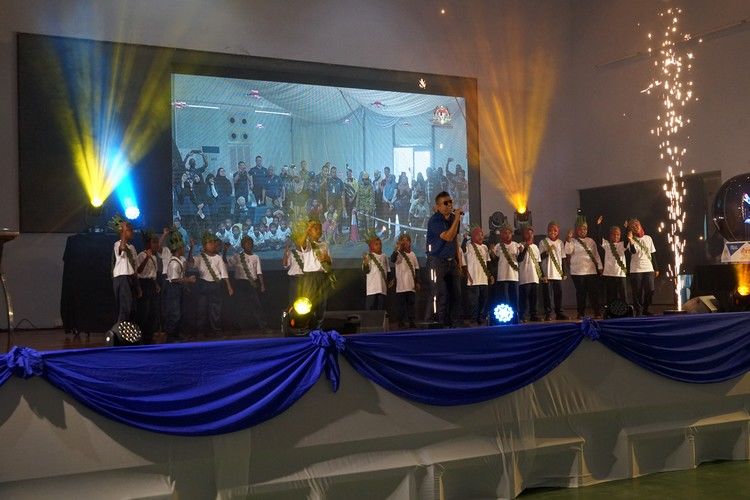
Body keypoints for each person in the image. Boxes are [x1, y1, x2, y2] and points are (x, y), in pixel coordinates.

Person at [426, 191, 464, 327]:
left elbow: (455, 240)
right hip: (436, 261)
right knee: (439, 293)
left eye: (450, 202)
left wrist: (459, 261)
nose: (449, 205)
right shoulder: (435, 220)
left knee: (456, 293)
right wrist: (457, 219)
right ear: (438, 206)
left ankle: (455, 323)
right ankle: (436, 323)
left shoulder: (453, 218)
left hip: (451, 260)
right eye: (445, 203)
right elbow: (447, 236)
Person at [191, 232, 233, 334]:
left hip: (216, 285)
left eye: (214, 243)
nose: (213, 245)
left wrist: (229, 287)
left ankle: (216, 330)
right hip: (203, 284)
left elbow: (224, 273)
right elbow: (190, 264)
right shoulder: (200, 257)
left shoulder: (218, 257)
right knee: (202, 309)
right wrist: (191, 249)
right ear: (204, 245)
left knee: (216, 309)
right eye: (210, 243)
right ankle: (200, 331)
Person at [226, 236, 271, 333]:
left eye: (250, 243)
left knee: (257, 305)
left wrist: (262, 285)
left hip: (252, 283)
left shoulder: (256, 257)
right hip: (240, 283)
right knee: (240, 306)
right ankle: (240, 329)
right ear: (243, 245)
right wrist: (224, 251)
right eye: (246, 244)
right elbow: (227, 264)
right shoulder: (237, 256)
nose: (249, 245)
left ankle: (264, 327)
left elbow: (259, 272)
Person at [565, 216, 603, 319]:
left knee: (593, 293)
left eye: (585, 229)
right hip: (577, 272)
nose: (583, 231)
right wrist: (568, 239)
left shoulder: (591, 241)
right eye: (581, 229)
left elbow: (596, 255)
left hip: (591, 271)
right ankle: (580, 313)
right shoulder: (572, 241)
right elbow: (567, 251)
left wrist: (600, 266)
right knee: (581, 293)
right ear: (577, 230)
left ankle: (597, 312)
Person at [163, 229, 195, 342]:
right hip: (173, 289)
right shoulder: (173, 263)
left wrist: (191, 248)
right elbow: (174, 279)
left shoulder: (180, 259)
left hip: (178, 288)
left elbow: (186, 265)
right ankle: (170, 337)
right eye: (182, 248)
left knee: (179, 313)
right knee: (174, 313)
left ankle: (177, 335)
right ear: (178, 249)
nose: (183, 250)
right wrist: (188, 280)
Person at [301, 219, 334, 326]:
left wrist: (327, 258)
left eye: (320, 228)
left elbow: (330, 261)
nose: (319, 231)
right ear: (310, 231)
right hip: (310, 276)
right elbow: (301, 243)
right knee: (309, 301)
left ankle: (319, 325)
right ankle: (308, 325)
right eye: (315, 229)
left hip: (322, 275)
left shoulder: (324, 244)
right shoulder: (307, 243)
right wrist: (307, 229)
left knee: (322, 301)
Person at [111, 216, 140, 324]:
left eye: (132, 230)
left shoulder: (132, 247)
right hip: (122, 278)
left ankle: (128, 332)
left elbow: (135, 268)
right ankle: (120, 332)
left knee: (132, 308)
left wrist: (138, 287)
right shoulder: (118, 243)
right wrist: (123, 231)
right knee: (125, 307)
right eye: (129, 230)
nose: (132, 232)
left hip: (130, 279)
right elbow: (122, 249)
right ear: (122, 232)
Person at [626, 218, 658, 315]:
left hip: (648, 268)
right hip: (636, 270)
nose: (635, 227)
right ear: (631, 229)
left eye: (637, 225)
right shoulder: (630, 240)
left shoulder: (648, 238)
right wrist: (631, 240)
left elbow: (652, 254)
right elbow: (633, 251)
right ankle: (639, 311)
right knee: (637, 292)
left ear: (640, 225)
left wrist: (656, 268)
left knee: (650, 290)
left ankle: (645, 309)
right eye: (633, 226)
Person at [463, 226, 493, 326]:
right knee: (473, 301)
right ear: (473, 236)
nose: (481, 236)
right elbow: (463, 255)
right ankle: (473, 319)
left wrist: (490, 275)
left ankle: (481, 318)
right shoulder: (468, 245)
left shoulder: (485, 247)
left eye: (482, 234)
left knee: (484, 300)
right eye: (478, 234)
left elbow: (488, 263)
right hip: (473, 279)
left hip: (484, 278)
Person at [136, 230, 161, 343]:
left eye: (157, 242)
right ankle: (141, 336)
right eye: (154, 242)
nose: (156, 245)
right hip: (143, 283)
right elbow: (139, 271)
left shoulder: (155, 257)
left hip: (151, 283)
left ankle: (149, 336)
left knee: (153, 311)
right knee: (144, 312)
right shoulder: (141, 255)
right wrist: (147, 257)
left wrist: (156, 285)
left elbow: (153, 274)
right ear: (148, 244)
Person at [539, 221, 568, 321]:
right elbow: (539, 257)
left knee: (558, 294)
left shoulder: (560, 243)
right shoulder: (543, 242)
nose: (553, 232)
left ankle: (559, 312)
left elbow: (563, 257)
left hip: (557, 273)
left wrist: (564, 272)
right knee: (547, 295)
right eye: (551, 230)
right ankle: (548, 313)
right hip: (547, 272)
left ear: (558, 231)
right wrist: (547, 252)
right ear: (547, 231)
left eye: (555, 230)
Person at [596, 217, 628, 304]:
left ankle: (624, 312)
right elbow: (599, 238)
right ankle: (611, 312)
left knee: (623, 295)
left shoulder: (622, 245)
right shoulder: (606, 244)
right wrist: (598, 225)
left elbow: (626, 239)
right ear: (610, 235)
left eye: (618, 234)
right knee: (611, 295)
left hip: (621, 274)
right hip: (609, 273)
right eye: (614, 234)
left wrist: (626, 229)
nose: (616, 236)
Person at [391, 233, 419, 328]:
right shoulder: (398, 254)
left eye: (406, 240)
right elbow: (393, 259)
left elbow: (416, 268)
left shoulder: (413, 254)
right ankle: (401, 321)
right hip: (401, 286)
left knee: (411, 304)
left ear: (410, 242)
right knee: (401, 305)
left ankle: (411, 321)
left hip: (410, 285)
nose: (404, 242)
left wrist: (417, 281)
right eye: (402, 240)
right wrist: (397, 249)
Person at [493, 224, 521, 315]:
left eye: (509, 233)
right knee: (504, 297)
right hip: (502, 276)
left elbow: (520, 259)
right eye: (505, 233)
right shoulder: (498, 246)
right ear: (501, 234)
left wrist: (522, 250)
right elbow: (494, 259)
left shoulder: (516, 245)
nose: (507, 235)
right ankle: (505, 315)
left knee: (515, 297)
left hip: (514, 276)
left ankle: (516, 315)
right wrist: (491, 251)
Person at [517, 226, 542, 322]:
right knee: (524, 298)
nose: (530, 235)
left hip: (534, 276)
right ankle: (522, 315)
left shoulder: (535, 247)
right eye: (528, 233)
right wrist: (526, 247)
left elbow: (538, 262)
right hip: (524, 276)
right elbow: (519, 259)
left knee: (534, 298)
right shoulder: (520, 245)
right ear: (524, 235)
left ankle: (533, 315)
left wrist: (541, 275)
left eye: (531, 233)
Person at [362, 236, 391, 311]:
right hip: (372, 288)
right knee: (370, 307)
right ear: (372, 246)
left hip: (382, 287)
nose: (379, 246)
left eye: (380, 244)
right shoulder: (368, 256)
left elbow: (388, 270)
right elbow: (366, 271)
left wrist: (390, 281)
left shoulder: (384, 256)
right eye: (376, 244)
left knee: (380, 308)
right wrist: (365, 263)